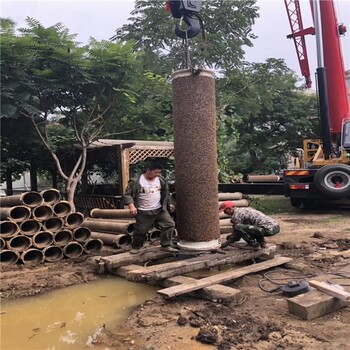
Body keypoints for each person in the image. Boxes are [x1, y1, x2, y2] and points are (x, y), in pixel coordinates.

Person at [123, 161, 177, 254]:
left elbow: (166, 193)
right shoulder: (136, 181)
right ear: (148, 170)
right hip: (144, 211)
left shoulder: (161, 180)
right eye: (155, 172)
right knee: (141, 230)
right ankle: (136, 246)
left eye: (159, 172)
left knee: (169, 224)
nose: (158, 174)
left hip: (159, 209)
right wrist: (131, 206)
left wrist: (169, 203)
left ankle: (166, 244)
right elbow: (127, 195)